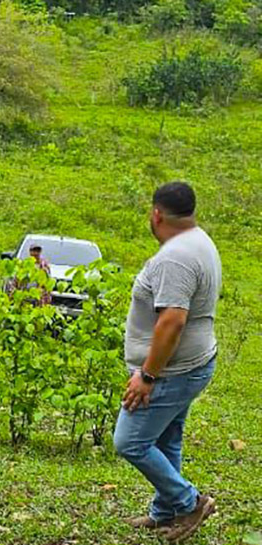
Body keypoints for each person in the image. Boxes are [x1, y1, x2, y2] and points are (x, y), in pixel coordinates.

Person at [114, 181, 221, 542]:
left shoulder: (175, 258)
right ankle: (165, 512)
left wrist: (147, 375)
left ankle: (189, 502)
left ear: (156, 214)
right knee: (166, 439)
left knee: (129, 441)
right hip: (193, 362)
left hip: (171, 371)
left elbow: (172, 321)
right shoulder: (200, 241)